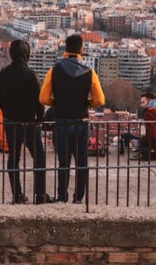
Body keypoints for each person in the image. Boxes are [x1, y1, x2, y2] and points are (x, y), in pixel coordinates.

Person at [39, 34, 105, 203]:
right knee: (82, 162)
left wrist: (58, 102)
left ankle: (62, 196)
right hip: (81, 121)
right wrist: (85, 102)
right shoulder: (89, 72)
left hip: (61, 120)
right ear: (81, 49)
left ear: (65, 49)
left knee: (64, 162)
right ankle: (79, 197)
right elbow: (99, 100)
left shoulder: (54, 70)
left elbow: (43, 98)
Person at [0, 39, 51, 204]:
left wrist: (7, 113)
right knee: (39, 157)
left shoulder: (2, 75)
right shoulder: (30, 75)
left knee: (13, 157)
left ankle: (17, 194)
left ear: (11, 54)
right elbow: (38, 101)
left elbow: (1, 100)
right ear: (27, 54)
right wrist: (40, 118)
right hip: (29, 122)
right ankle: (40, 194)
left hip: (10, 121)